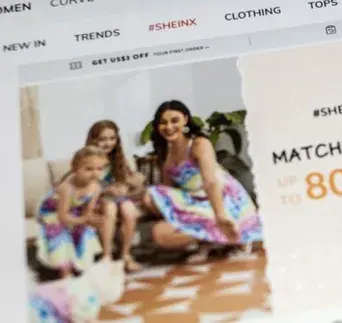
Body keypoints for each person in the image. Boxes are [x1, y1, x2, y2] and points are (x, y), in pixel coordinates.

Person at [142, 100, 262, 260]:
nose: (169, 127)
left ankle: (235, 233)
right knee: (158, 228)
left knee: (152, 200)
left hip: (221, 199)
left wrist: (220, 216)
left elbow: (211, 182)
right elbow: (167, 194)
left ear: (185, 120)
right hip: (195, 201)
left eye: (174, 120)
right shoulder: (165, 152)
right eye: (163, 122)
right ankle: (212, 238)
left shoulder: (199, 144)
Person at [36, 146, 113, 277]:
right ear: (75, 168)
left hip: (73, 211)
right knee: (60, 233)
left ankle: (81, 266)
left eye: (99, 169)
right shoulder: (67, 187)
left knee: (86, 231)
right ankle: (65, 273)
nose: (95, 173)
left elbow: (87, 212)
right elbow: (62, 217)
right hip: (53, 213)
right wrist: (84, 220)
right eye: (89, 169)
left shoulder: (96, 187)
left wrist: (92, 220)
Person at [86, 120, 144, 272]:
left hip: (115, 197)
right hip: (96, 199)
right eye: (103, 139)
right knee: (110, 208)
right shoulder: (87, 159)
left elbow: (130, 179)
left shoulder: (118, 158)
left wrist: (124, 186)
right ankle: (107, 257)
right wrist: (106, 190)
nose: (108, 143)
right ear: (93, 140)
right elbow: (86, 185)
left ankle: (126, 255)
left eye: (112, 138)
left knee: (129, 209)